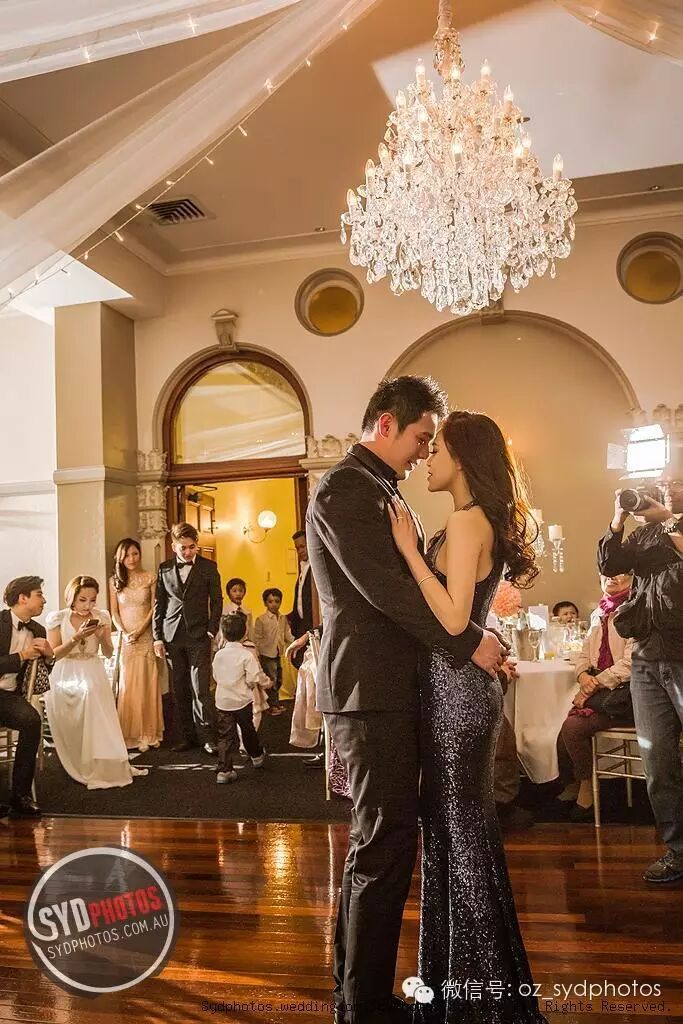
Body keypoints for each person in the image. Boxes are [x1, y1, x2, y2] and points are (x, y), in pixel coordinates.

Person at [306, 376, 506, 1024]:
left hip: (393, 689)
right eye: (422, 437)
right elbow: (386, 593)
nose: (425, 452)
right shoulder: (345, 488)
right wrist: (469, 642)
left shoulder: (382, 490)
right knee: (383, 845)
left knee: (384, 843)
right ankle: (363, 1007)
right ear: (387, 424)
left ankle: (356, 995)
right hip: (370, 691)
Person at [388, 409, 547, 1024]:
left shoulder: (463, 520)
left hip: (455, 695)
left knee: (458, 839)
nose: (428, 457)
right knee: (461, 837)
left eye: (438, 448)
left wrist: (409, 551)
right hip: (460, 691)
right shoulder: (475, 519)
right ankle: (474, 987)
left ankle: (475, 1000)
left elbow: (454, 620)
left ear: (463, 457)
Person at [598, 484, 683, 882]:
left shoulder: (667, 526)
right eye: (663, 483)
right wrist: (618, 519)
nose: (666, 488)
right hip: (647, 658)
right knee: (657, 763)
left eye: (675, 482)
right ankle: (678, 851)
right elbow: (610, 564)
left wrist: (669, 522)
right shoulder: (644, 534)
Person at [45, 576, 147, 790]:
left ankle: (98, 762)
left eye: (92, 600)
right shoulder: (58, 618)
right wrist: (76, 637)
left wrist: (101, 637)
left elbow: (109, 653)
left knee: (94, 705)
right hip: (66, 672)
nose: (88, 605)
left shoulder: (101, 617)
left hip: (92, 669)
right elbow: (54, 654)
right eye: (82, 600)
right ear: (72, 597)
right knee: (75, 717)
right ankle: (77, 759)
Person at [556, 573, 634, 821]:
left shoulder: (636, 610)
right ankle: (577, 781)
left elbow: (631, 663)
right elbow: (583, 654)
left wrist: (593, 685)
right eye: (606, 572)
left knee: (572, 727)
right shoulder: (599, 612)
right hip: (601, 691)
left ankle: (586, 789)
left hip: (627, 695)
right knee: (564, 729)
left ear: (632, 577)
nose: (613, 576)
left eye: (621, 571)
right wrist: (582, 676)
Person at [153, 523, 222, 754]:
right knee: (179, 688)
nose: (188, 551)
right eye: (183, 548)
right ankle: (186, 737)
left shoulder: (209, 567)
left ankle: (208, 738)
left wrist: (211, 630)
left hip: (199, 635)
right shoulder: (164, 569)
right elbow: (159, 605)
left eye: (192, 547)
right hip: (172, 636)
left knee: (200, 688)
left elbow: (217, 601)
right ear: (174, 547)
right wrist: (157, 638)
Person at [0, 576, 53, 819]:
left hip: (9, 697)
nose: (44, 600)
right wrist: (21, 656)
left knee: (32, 720)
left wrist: (49, 656)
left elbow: (41, 673)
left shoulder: (38, 630)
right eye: (39, 595)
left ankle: (20, 795)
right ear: (23, 598)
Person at [109, 538, 164, 751]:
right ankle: (129, 733)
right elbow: (114, 612)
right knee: (128, 684)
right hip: (126, 639)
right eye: (126, 555)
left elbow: (155, 607)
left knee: (147, 683)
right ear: (120, 558)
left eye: (135, 554)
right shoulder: (114, 581)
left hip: (146, 635)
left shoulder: (150, 577)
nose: (131, 559)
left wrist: (141, 630)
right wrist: (124, 632)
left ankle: (148, 733)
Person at [212, 613, 266, 783]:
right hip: (242, 701)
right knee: (248, 730)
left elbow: (215, 676)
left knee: (224, 736)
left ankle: (225, 771)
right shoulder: (246, 655)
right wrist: (250, 684)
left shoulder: (219, 655)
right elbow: (253, 677)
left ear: (223, 633)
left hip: (223, 702)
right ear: (244, 632)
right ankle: (256, 756)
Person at [254, 587, 294, 715]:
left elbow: (287, 634)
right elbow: (257, 638)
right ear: (265, 603)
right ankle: (270, 706)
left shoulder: (282, 618)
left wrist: (295, 643)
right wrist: (257, 654)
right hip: (266, 654)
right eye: (270, 601)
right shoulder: (261, 619)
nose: (274, 604)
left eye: (277, 601)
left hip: (278, 653)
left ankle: (275, 703)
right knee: (271, 680)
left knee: (278, 679)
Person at [288, 530, 314, 669]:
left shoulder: (315, 569)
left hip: (313, 624)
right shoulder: (302, 569)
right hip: (301, 626)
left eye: (302, 546)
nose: (300, 551)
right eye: (297, 548)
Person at [224, 578, 254, 642]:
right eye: (234, 591)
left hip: (244, 644)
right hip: (229, 644)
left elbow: (251, 633)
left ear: (244, 592)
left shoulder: (247, 612)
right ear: (228, 593)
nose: (238, 594)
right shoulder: (224, 612)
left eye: (240, 591)